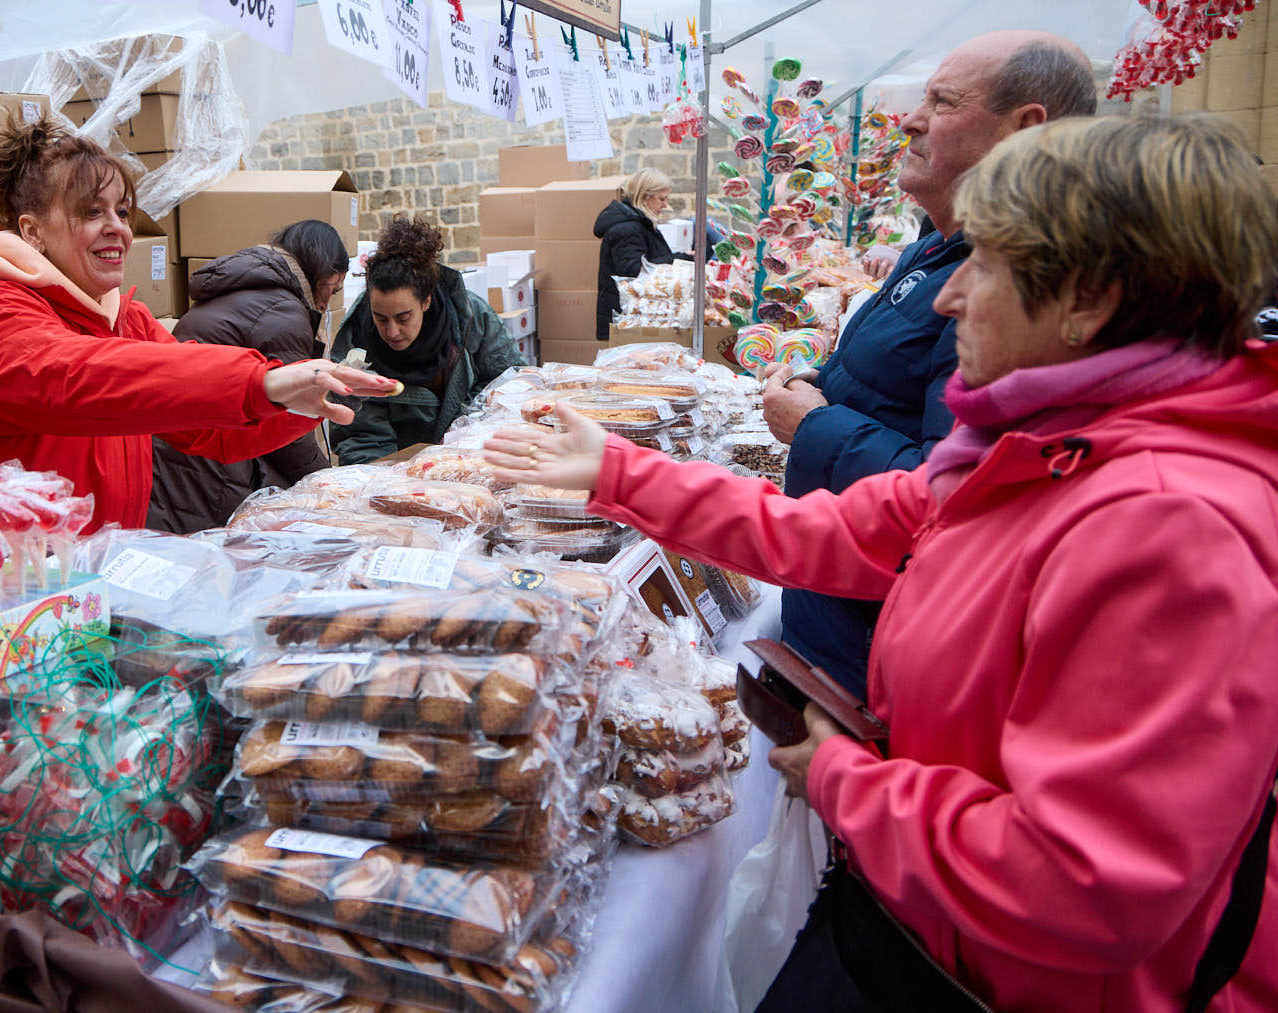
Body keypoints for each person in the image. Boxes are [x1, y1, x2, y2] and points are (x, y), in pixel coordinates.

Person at [484, 115, 1278, 1012]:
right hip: (937, 940)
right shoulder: (1032, 451)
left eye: (985, 264)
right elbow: (835, 532)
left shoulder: (1168, 525)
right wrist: (620, 470)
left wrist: (846, 779)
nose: (948, 299)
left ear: (1088, 299)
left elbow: (1086, 881)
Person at [0, 115, 397, 587]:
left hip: (67, 595)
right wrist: (258, 381)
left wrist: (288, 405)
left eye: (122, 211)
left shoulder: (122, 318)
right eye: (93, 212)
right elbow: (78, 377)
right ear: (31, 231)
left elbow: (205, 429)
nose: (117, 228)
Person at [760, 30, 1096, 698]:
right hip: (838, 612)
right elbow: (888, 387)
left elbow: (949, 495)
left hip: (878, 658)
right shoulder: (936, 250)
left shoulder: (1014, 295)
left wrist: (813, 425)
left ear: (1023, 128)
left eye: (941, 102)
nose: (910, 118)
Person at [146, 220, 348, 533]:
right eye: (330, 289)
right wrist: (331, 485)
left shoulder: (240, 287)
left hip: (176, 453)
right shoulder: (283, 311)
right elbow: (288, 424)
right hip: (216, 468)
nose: (326, 302)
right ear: (317, 272)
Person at [328, 214, 520, 464]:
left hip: (475, 460)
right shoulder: (355, 350)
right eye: (381, 318)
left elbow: (510, 384)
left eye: (404, 317)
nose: (392, 332)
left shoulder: (472, 318)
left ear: (426, 300)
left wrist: (465, 430)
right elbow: (361, 440)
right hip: (397, 475)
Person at [593, 167, 723, 339]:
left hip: (635, 317)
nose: (665, 205)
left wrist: (681, 258)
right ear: (645, 196)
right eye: (662, 199)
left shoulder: (639, 224)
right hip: (626, 320)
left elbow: (650, 261)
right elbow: (635, 271)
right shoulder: (626, 229)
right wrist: (680, 258)